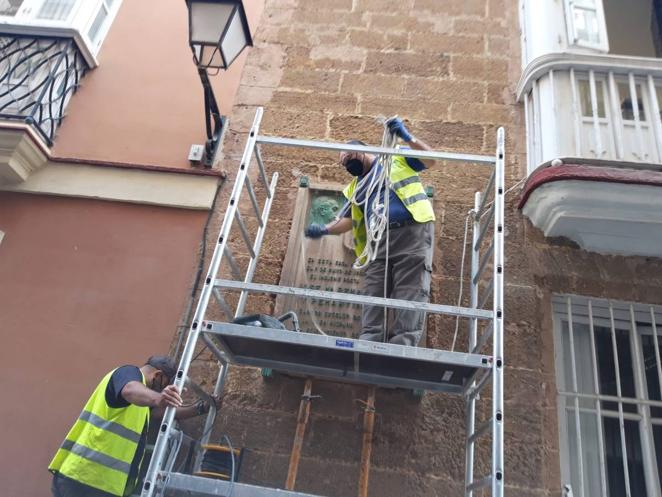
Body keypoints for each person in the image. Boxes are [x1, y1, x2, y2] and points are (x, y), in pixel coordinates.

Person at [305, 118, 436, 347]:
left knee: (410, 290)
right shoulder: (356, 187)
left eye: (348, 158)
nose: (347, 165)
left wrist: (407, 137)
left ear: (361, 151)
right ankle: (370, 340)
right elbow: (346, 220)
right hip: (379, 241)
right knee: (373, 291)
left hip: (411, 232)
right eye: (343, 163)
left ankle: (402, 345)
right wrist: (324, 230)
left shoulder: (394, 158)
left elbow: (432, 159)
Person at [49, 355, 216, 497]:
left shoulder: (142, 401)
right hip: (84, 477)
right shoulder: (128, 373)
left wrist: (200, 408)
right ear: (157, 375)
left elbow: (161, 412)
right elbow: (129, 390)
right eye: (166, 385)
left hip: (102, 483)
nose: (164, 391)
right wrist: (158, 398)